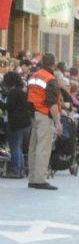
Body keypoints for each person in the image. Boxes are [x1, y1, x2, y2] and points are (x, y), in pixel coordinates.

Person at [26, 52, 62, 190]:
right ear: (53, 64)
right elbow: (51, 103)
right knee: (43, 148)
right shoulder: (50, 79)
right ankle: (40, 180)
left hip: (34, 114)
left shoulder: (33, 76)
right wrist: (58, 122)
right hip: (44, 115)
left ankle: (32, 178)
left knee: (33, 147)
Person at [3, 70, 31, 178]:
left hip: (16, 123)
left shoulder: (13, 92)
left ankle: (16, 170)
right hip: (25, 123)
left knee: (14, 147)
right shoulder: (22, 91)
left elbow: (8, 106)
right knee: (19, 147)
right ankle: (21, 170)